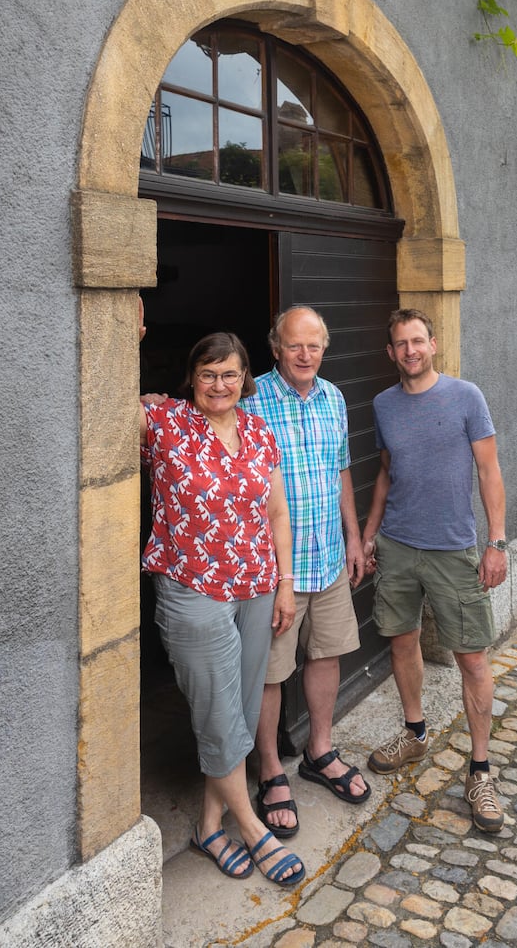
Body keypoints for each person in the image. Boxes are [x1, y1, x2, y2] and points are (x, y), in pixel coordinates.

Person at [140, 330, 305, 887]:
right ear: (192, 377)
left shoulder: (259, 431)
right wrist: (127, 338)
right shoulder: (165, 424)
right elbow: (96, 404)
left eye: (229, 373)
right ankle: (251, 826)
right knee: (215, 711)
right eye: (208, 373)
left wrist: (285, 584)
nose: (219, 384)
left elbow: (277, 513)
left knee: (237, 704)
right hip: (192, 590)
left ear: (245, 379)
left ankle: (209, 826)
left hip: (257, 587)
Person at [362, 308, 508, 834]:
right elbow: (385, 474)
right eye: (400, 344)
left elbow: (489, 471)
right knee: (401, 643)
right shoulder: (383, 404)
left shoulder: (466, 397)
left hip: (453, 550)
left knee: (472, 659)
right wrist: (368, 532)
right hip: (398, 546)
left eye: (418, 341)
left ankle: (481, 771)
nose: (410, 351)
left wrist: (496, 542)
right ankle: (415, 732)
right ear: (391, 352)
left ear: (433, 344)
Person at [244, 306, 370, 835]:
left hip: (329, 558)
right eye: (294, 345)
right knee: (271, 672)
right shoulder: (250, 399)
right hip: (277, 570)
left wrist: (355, 534)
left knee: (327, 654)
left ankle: (319, 751)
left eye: (314, 346)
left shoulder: (334, 399)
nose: (304, 355)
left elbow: (341, 469)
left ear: (324, 348)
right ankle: (270, 768)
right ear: (275, 347)